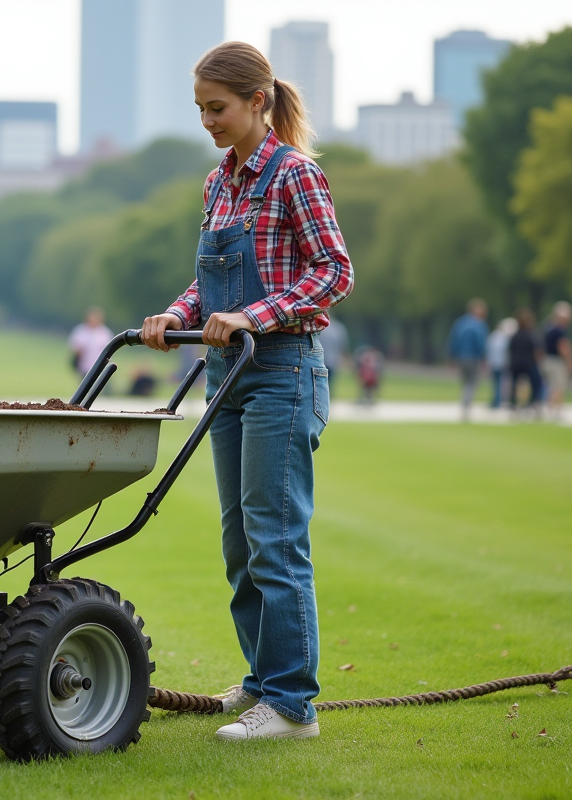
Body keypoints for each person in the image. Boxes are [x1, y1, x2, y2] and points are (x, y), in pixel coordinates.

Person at [141, 42, 353, 742]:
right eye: (200, 109)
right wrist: (178, 313)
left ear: (258, 102)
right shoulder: (218, 183)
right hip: (227, 377)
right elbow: (210, 284)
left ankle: (292, 707)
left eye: (218, 107)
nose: (209, 120)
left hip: (283, 372)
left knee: (275, 538)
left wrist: (254, 316)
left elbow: (333, 272)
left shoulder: (296, 176)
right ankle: (264, 679)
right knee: (239, 542)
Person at [447, 298, 488, 421]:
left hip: (461, 357)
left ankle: (464, 406)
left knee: (465, 383)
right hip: (473, 357)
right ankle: (466, 408)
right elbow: (481, 343)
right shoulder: (479, 325)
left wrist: (451, 356)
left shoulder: (460, 323)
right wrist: (483, 358)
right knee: (471, 383)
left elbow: (453, 340)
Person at [541, 301, 572, 418]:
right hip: (556, 361)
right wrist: (570, 362)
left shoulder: (548, 327)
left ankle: (551, 408)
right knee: (559, 386)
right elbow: (563, 347)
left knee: (552, 386)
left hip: (546, 359)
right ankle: (556, 410)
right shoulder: (560, 330)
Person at [508, 309, 542, 414]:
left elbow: (510, 350)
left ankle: (513, 403)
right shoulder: (531, 335)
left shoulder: (515, 336)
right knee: (536, 383)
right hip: (528, 364)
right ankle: (532, 402)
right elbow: (537, 351)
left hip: (515, 363)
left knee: (514, 384)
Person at [69, 307, 114, 377]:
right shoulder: (81, 330)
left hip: (99, 366)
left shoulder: (105, 333)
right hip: (84, 366)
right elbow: (75, 348)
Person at [485, 317, 517, 410]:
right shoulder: (504, 338)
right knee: (502, 383)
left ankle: (497, 400)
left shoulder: (493, 336)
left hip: (494, 363)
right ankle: (499, 400)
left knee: (497, 383)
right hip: (502, 363)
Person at [317, 315, 348, 396]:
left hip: (321, 359)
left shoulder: (319, 327)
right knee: (329, 384)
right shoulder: (338, 328)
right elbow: (342, 345)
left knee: (319, 384)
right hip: (332, 360)